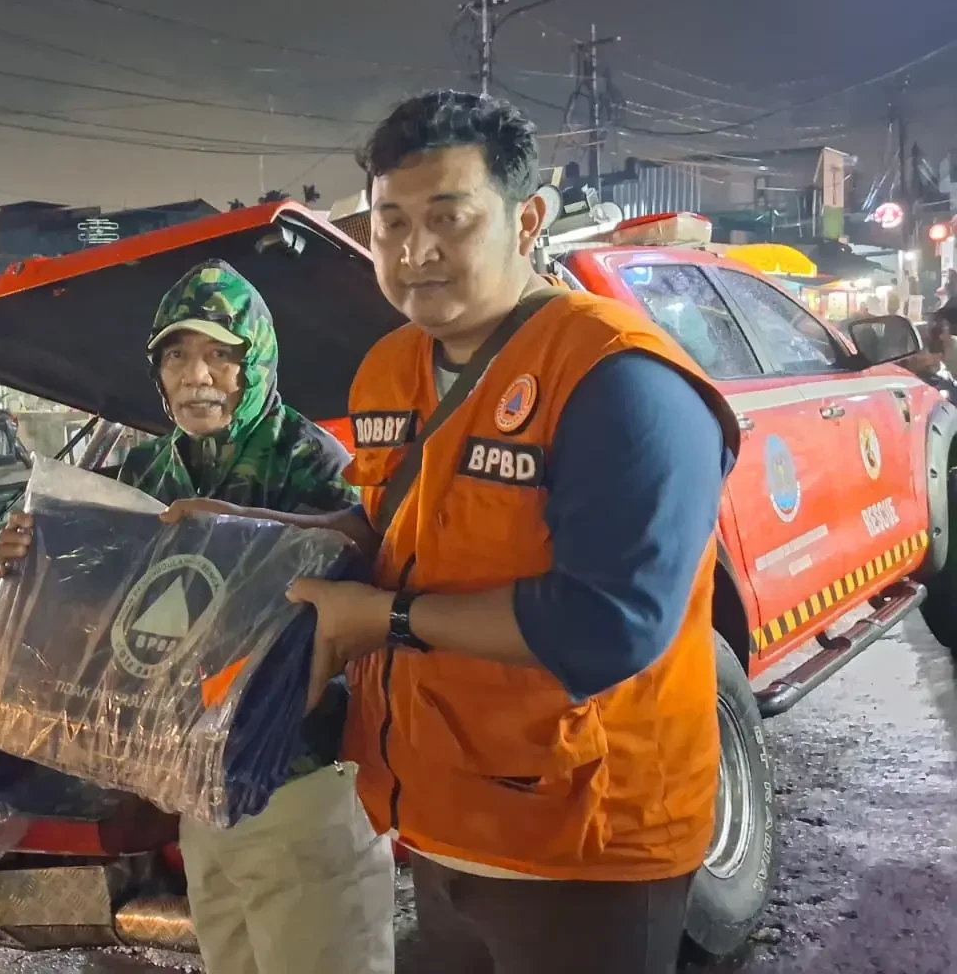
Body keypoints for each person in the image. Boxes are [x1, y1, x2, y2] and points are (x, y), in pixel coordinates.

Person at [164, 91, 740, 974]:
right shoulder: (390, 367)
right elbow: (384, 530)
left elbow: (611, 625)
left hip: (583, 842)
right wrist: (248, 529)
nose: (414, 251)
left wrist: (382, 620)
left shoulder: (618, 378)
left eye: (448, 217)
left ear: (528, 219)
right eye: (390, 223)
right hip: (437, 818)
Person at [0, 259, 396, 974]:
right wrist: (31, 556)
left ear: (255, 359)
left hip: (300, 785)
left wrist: (237, 524)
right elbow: (100, 598)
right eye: (176, 355)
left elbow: (360, 547)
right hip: (195, 785)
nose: (196, 375)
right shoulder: (148, 472)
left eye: (220, 355)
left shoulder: (310, 460)